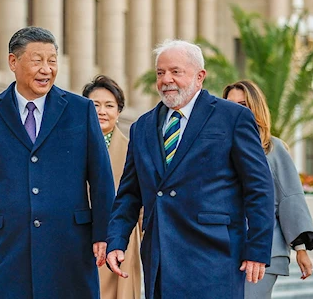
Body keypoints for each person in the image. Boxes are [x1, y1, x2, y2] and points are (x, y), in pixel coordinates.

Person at [106, 39, 275, 299]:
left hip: (215, 258)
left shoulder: (233, 118)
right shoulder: (141, 127)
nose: (166, 79)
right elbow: (129, 193)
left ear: (200, 76)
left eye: (176, 71)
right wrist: (116, 241)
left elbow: (259, 188)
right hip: (160, 258)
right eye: (160, 73)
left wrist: (258, 249)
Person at [0, 26, 115, 299]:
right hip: (10, 246)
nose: (46, 69)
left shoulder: (80, 110)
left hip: (70, 244)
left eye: (52, 61)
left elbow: (101, 178)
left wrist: (104, 234)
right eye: (37, 61)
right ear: (13, 62)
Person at [223, 80, 313, 299]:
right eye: (230, 104)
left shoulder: (273, 148)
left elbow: (290, 199)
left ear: (256, 108)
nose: (236, 110)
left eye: (243, 104)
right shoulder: (220, 148)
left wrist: (301, 249)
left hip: (265, 251)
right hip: (225, 250)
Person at [82, 75, 142, 299]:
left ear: (118, 112)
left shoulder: (132, 149)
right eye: (95, 105)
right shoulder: (70, 148)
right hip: (80, 237)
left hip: (119, 240)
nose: (101, 111)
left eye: (109, 106)